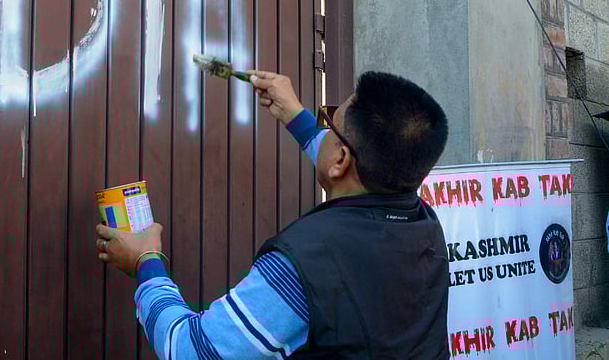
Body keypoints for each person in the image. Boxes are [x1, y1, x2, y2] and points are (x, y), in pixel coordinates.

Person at [95, 70, 451, 359]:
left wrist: (146, 263)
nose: (323, 128)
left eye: (329, 123)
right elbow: (347, 166)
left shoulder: (306, 266)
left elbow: (192, 351)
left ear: (341, 159)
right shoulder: (423, 225)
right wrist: (296, 115)